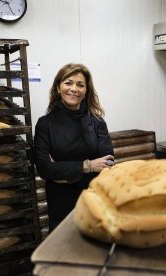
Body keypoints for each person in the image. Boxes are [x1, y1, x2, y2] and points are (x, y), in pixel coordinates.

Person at [34, 63, 114, 231]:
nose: (74, 89)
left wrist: (62, 171)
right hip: (61, 201)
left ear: (86, 91)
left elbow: (107, 163)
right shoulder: (45, 124)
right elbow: (45, 168)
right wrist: (88, 166)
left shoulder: (97, 122)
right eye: (68, 83)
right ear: (58, 87)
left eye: (80, 84)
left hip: (94, 197)